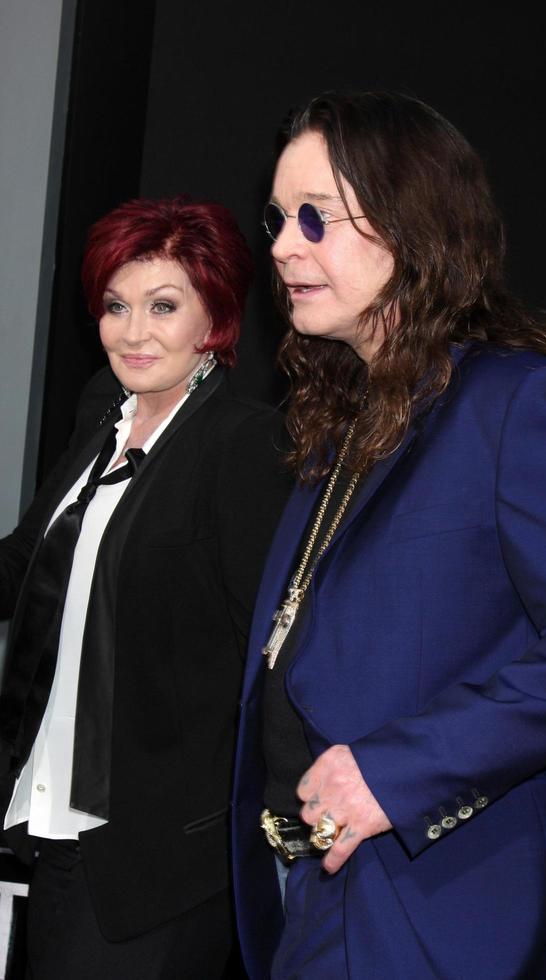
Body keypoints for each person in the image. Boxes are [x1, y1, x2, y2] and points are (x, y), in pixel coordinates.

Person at [230, 91, 546, 979]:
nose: (280, 244)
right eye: (277, 216)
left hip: (447, 917)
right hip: (315, 900)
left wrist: (396, 774)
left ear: (410, 227)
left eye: (316, 218)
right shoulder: (347, 416)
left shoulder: (520, 400)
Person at [0, 196, 291, 978]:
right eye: (116, 306)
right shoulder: (103, 408)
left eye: (163, 307)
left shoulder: (243, 445)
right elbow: (32, 559)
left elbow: (271, 649)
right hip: (54, 820)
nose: (133, 332)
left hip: (159, 853)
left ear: (215, 319)